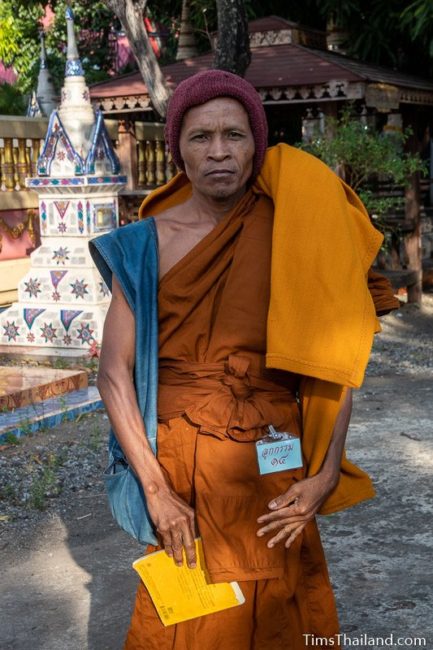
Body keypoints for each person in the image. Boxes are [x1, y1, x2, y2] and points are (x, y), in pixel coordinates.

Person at [90, 70, 398, 649]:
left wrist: (327, 472)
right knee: (188, 615)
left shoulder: (297, 232)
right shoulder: (145, 244)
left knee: (282, 604)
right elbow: (113, 374)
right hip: (184, 469)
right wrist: (156, 491)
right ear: (177, 148)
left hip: (276, 457)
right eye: (201, 138)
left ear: (257, 144)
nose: (219, 153)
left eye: (234, 135)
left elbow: (334, 355)